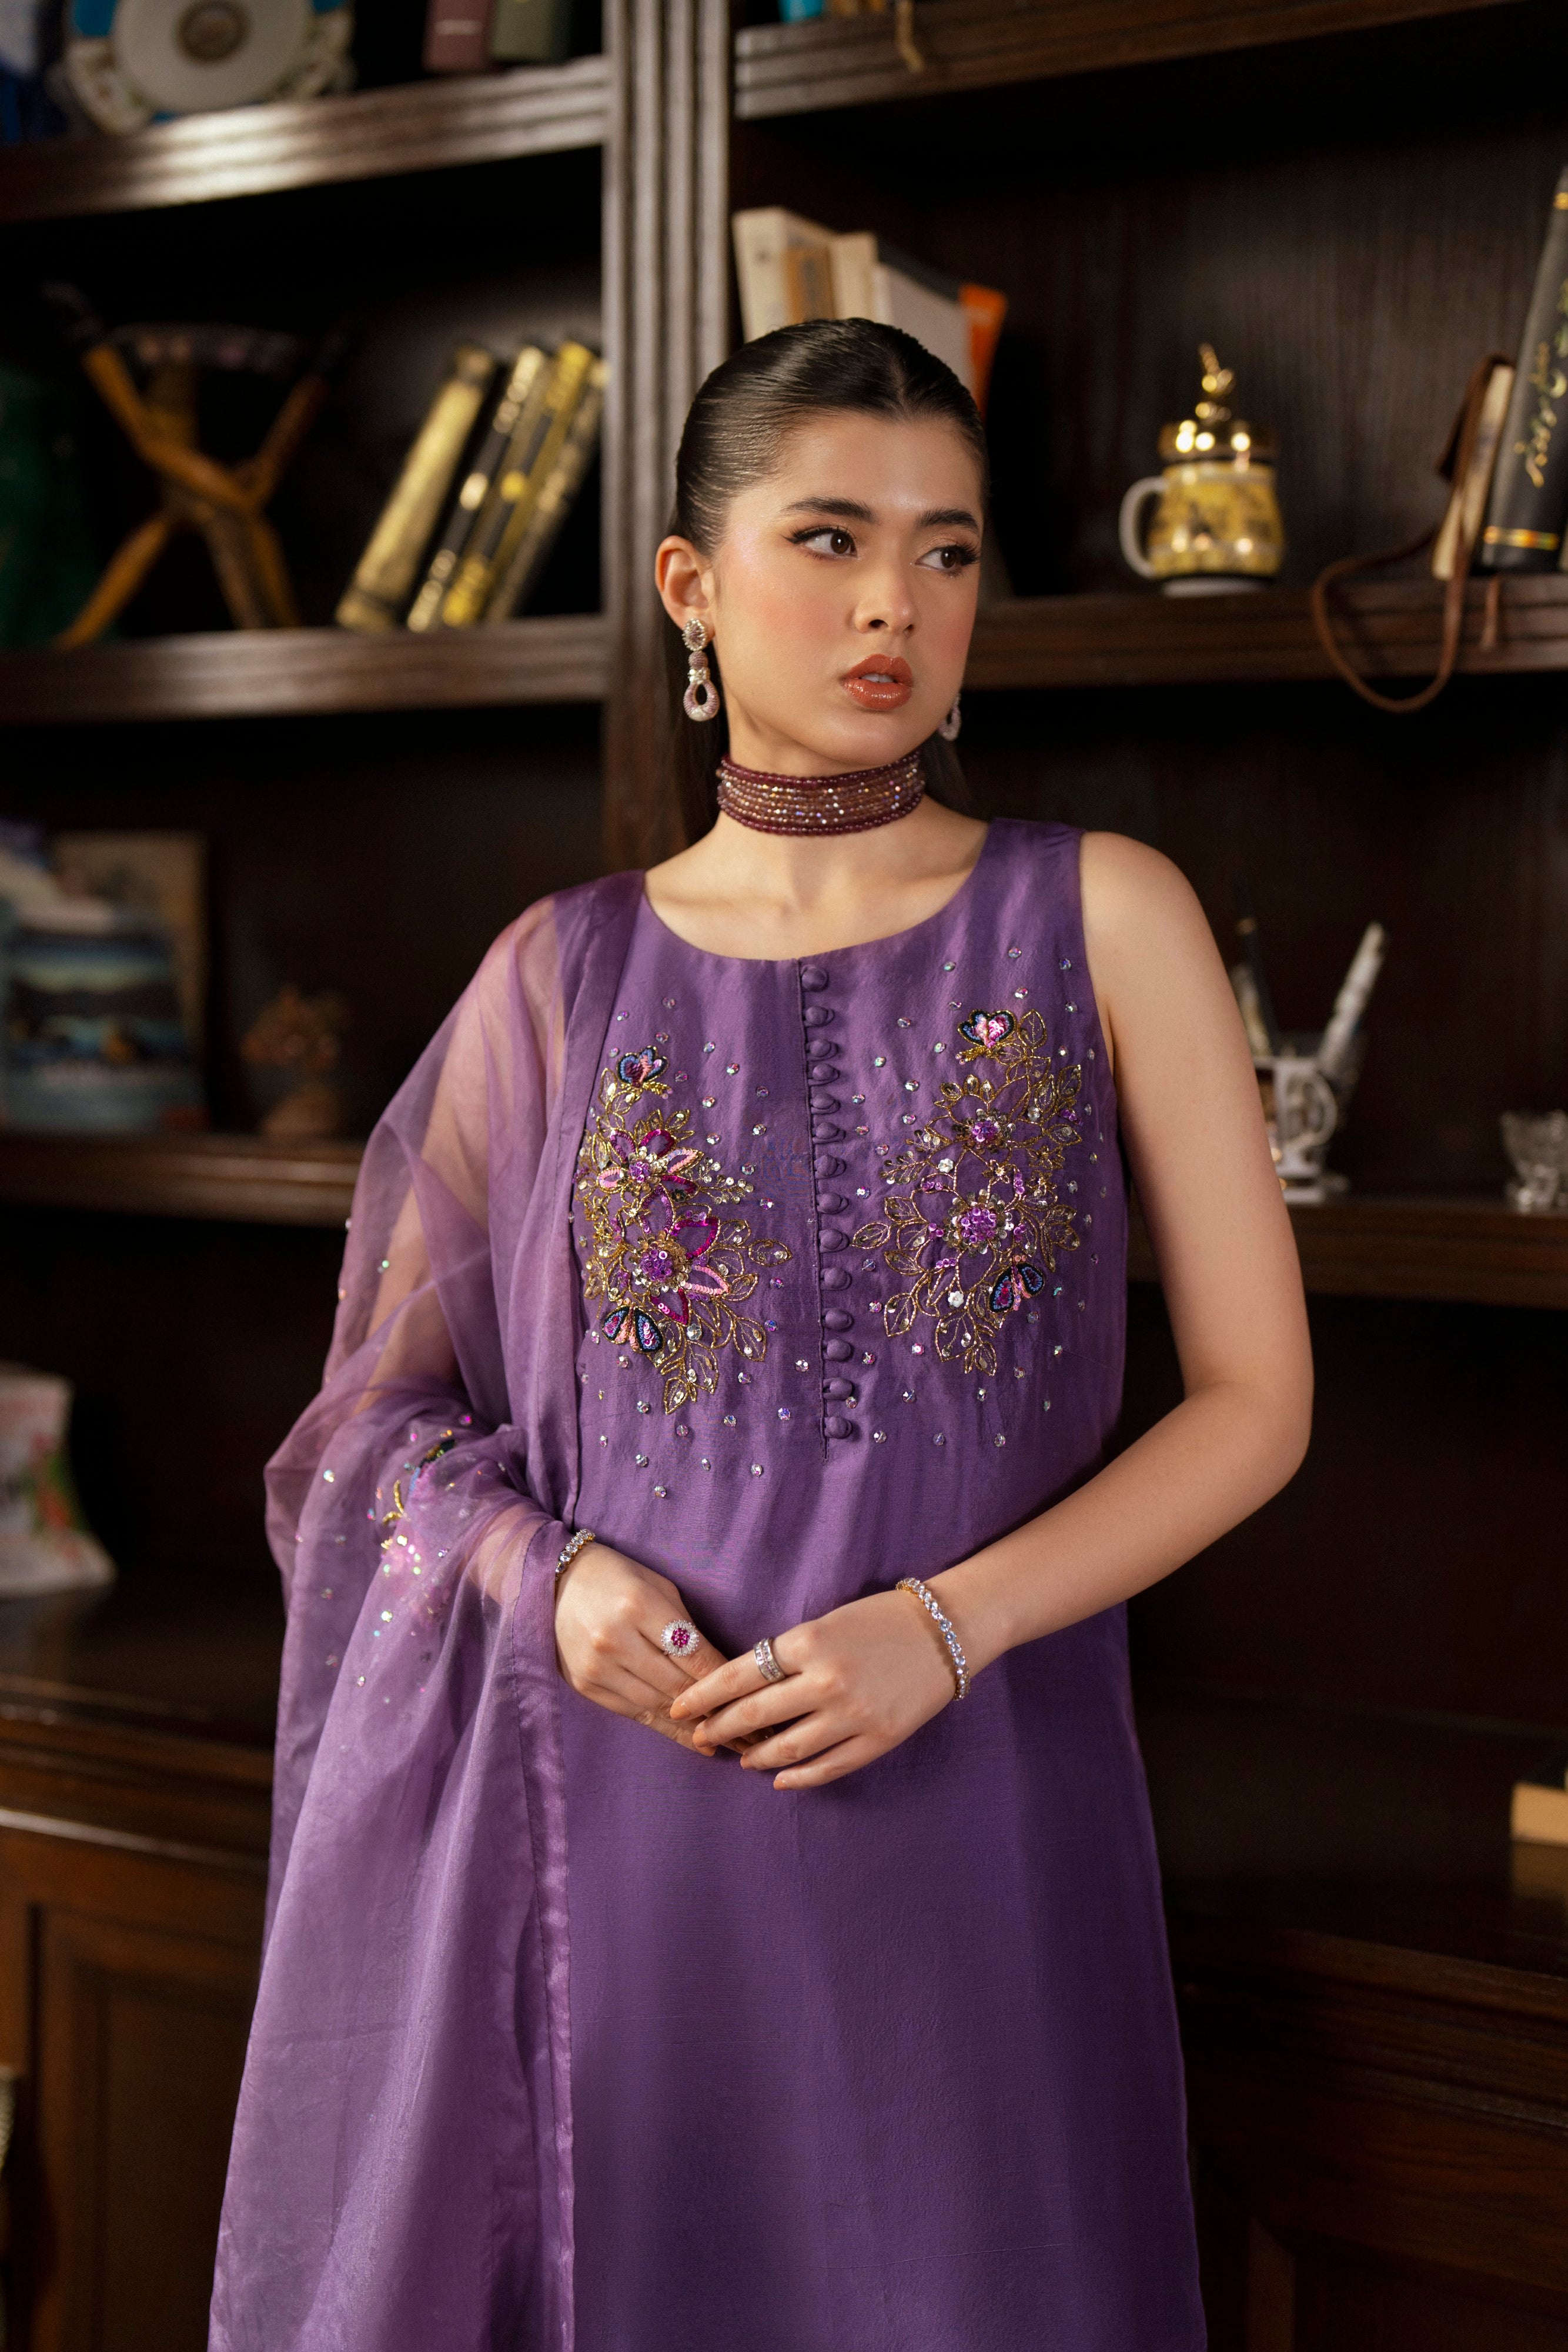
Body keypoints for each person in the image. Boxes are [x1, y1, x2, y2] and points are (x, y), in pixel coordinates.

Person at [210, 319, 1311, 2352]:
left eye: (947, 549)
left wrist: (947, 1630)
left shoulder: (1104, 915)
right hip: (625, 1830)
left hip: (985, 1812)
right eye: (828, 537)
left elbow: (1255, 1405)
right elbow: (375, 1426)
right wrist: (547, 1584)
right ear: (689, 585)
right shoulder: (556, 973)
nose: (896, 601)